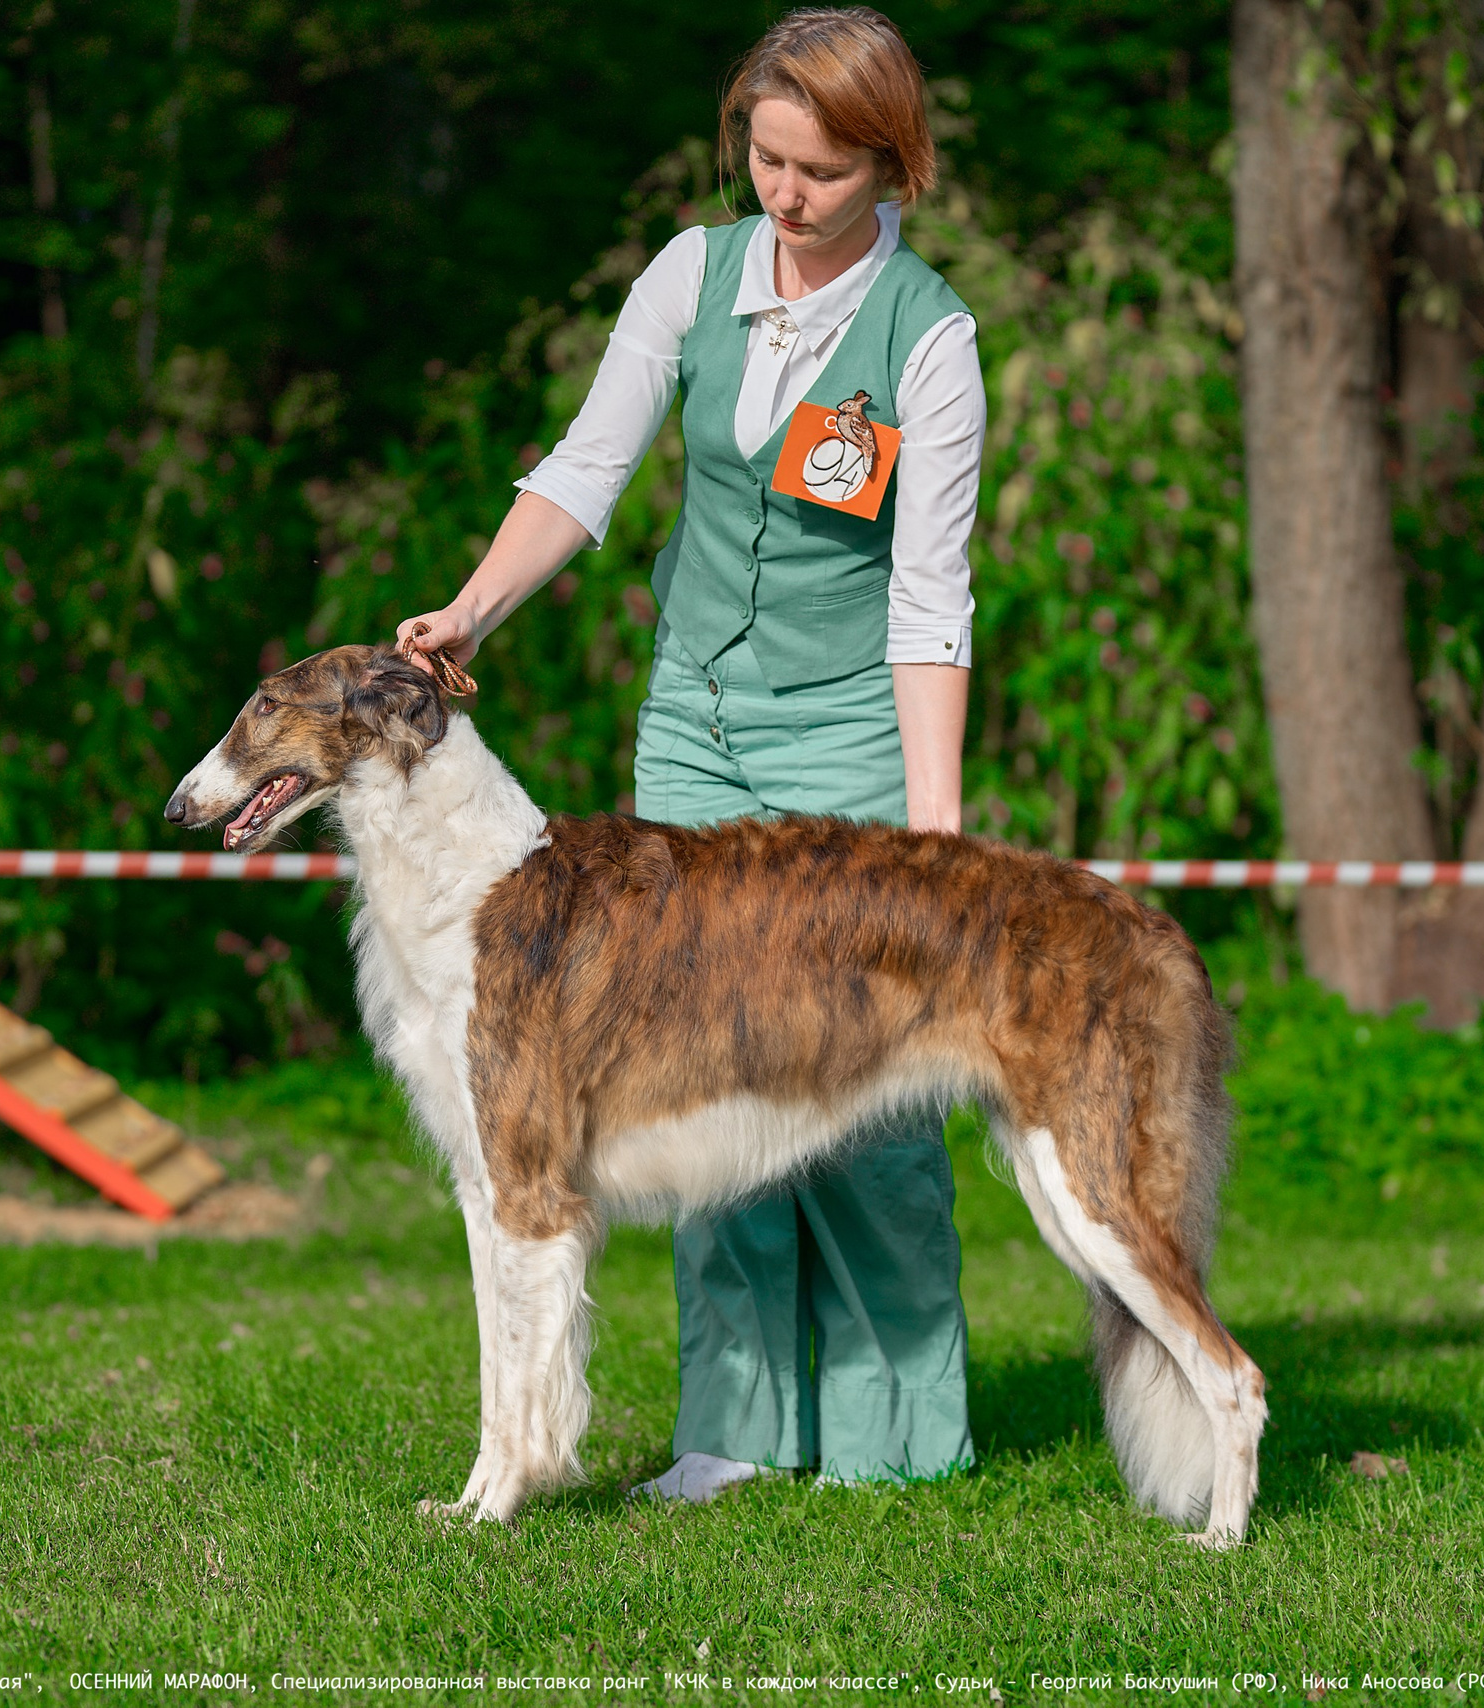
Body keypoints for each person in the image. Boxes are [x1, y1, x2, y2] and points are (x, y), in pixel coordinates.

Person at [396, 6, 986, 1502]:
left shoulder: (930, 341)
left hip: (848, 745)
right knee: (695, 1077)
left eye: (819, 171)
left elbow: (930, 599)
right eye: (765, 159)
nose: (783, 195)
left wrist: (932, 827)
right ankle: (735, 1429)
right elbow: (588, 466)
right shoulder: (693, 273)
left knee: (869, 1101)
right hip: (695, 736)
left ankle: (899, 1442)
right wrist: (471, 608)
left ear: (891, 163)